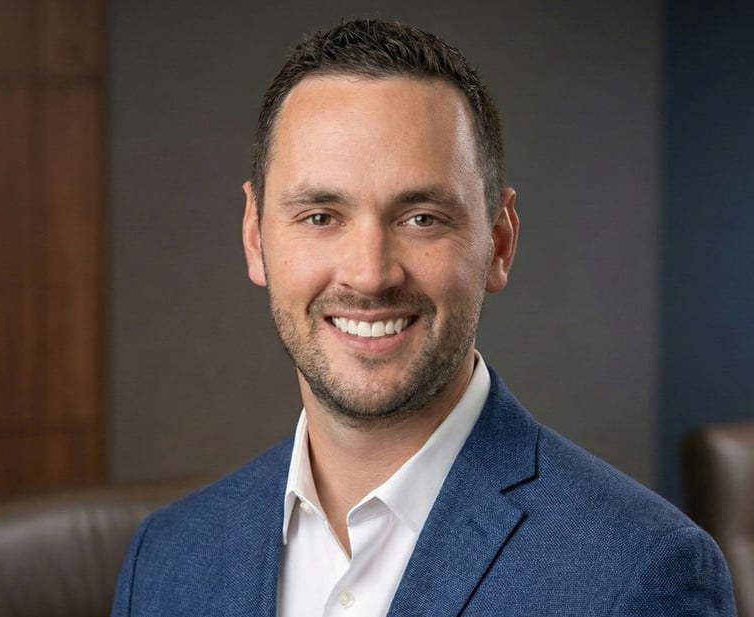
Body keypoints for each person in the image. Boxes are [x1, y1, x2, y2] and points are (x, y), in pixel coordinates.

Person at [112, 18, 736, 616]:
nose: (370, 274)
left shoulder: (639, 573)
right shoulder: (166, 560)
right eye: (320, 217)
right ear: (256, 236)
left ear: (499, 242)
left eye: (421, 218)